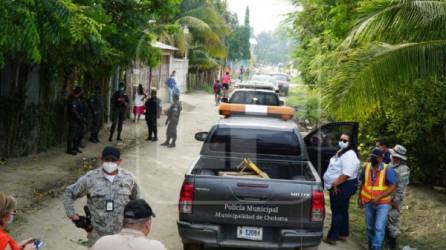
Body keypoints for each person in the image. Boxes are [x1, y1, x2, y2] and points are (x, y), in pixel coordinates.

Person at [63, 146, 140, 247]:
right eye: (107, 159)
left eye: (113, 160)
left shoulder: (129, 178)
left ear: (120, 161)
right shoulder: (90, 179)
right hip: (97, 236)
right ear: (101, 159)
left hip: (122, 235)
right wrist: (72, 214)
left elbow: (138, 201)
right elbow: (69, 192)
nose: (109, 163)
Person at [322, 133, 360, 245]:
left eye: (345, 140)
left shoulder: (350, 155)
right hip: (340, 184)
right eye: (340, 139)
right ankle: (343, 233)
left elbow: (346, 174)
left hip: (342, 185)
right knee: (342, 210)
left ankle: (332, 237)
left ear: (350, 143)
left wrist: (335, 184)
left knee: (337, 211)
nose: (342, 142)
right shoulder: (342, 152)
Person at [358, 148, 398, 250]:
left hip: (383, 204)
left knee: (379, 227)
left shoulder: (387, 169)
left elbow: (393, 186)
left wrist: (379, 197)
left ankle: (376, 247)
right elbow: (362, 183)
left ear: (381, 158)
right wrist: (359, 198)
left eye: (375, 157)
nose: (372, 159)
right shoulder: (366, 167)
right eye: (371, 157)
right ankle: (371, 246)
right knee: (370, 227)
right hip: (368, 202)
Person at [91, 199, 166, 250]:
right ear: (147, 226)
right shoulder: (157, 247)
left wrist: (89, 231)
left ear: (123, 223)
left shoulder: (101, 243)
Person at [386, 145, 410, 250]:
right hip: (385, 196)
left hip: (394, 199)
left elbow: (401, 188)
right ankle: (385, 240)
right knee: (384, 218)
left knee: (392, 220)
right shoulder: (390, 164)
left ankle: (393, 245)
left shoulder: (403, 169)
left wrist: (395, 201)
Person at [67, 87, 83, 155]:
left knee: (77, 134)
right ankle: (69, 149)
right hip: (73, 119)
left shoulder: (77, 99)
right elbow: (73, 111)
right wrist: (79, 117)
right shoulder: (72, 99)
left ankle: (75, 147)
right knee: (72, 134)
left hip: (77, 119)